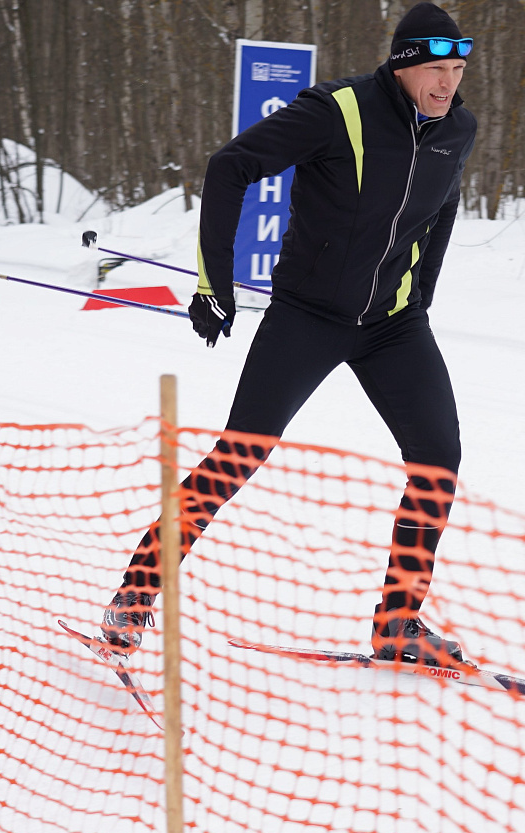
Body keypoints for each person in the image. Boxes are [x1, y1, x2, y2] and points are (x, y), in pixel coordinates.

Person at [103, 2, 477, 668]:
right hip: (309, 316)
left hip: (392, 324)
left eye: (456, 69)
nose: (447, 84)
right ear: (401, 65)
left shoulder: (457, 129)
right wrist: (213, 284)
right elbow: (230, 167)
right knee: (239, 455)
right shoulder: (339, 111)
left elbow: (439, 213)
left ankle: (399, 623)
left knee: (438, 456)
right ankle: (134, 594)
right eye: (433, 69)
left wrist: (421, 299)